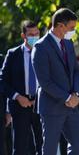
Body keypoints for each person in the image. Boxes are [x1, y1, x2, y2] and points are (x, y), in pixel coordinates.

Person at [31, 8, 79, 155]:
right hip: (51, 107)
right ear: (60, 26)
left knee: (78, 146)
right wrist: (67, 97)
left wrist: (75, 94)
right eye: (71, 28)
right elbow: (45, 82)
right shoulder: (40, 47)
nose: (73, 31)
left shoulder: (68, 43)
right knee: (49, 149)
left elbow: (75, 71)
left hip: (71, 106)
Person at [1, 20, 43, 155]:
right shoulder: (13, 54)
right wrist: (17, 97)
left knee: (44, 145)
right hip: (19, 107)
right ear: (23, 36)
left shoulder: (44, 53)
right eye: (31, 35)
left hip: (41, 105)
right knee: (20, 148)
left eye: (37, 34)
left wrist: (40, 97)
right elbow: (2, 80)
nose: (35, 37)